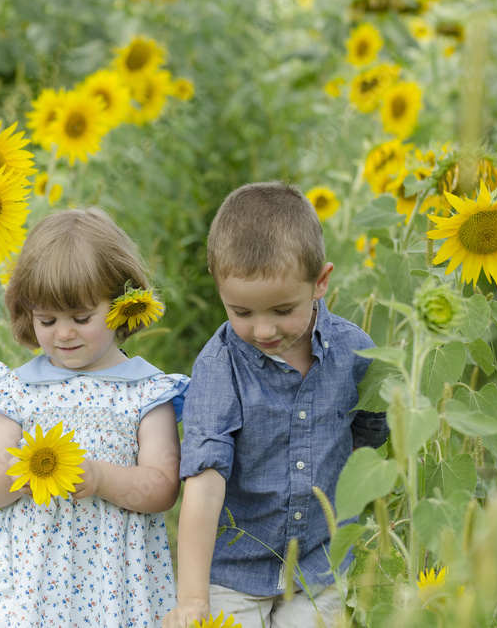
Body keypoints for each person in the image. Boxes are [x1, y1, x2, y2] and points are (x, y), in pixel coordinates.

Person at [163, 182, 389, 628]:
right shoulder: (219, 366)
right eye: (241, 312)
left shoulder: (355, 352)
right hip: (235, 567)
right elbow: (204, 485)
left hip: (320, 564)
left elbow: (367, 438)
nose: (263, 330)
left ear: (320, 282)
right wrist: (192, 598)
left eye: (283, 309)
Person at [0, 207, 189, 627]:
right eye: (47, 320)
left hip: (113, 577)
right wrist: (30, 470)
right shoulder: (19, 389)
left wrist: (100, 478)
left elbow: (161, 489)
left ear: (122, 306)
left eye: (81, 319)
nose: (63, 334)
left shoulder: (145, 391)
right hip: (30, 577)